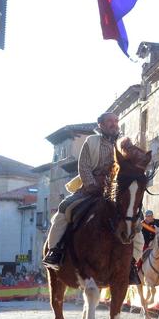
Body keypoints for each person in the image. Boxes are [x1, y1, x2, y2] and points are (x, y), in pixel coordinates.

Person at [43, 112, 121, 270]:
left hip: (117, 191)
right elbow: (84, 166)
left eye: (116, 121)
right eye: (109, 121)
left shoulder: (123, 144)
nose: (114, 124)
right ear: (101, 125)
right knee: (64, 209)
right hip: (92, 187)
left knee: (135, 220)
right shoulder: (91, 141)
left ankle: (133, 262)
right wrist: (92, 185)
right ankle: (54, 251)